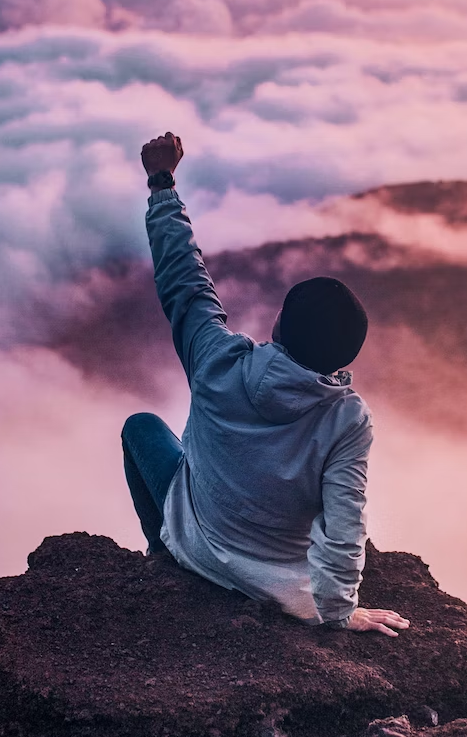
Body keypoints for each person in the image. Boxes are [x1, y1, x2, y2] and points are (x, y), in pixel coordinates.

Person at [121, 131, 409, 636]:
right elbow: (346, 528)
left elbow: (184, 282)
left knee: (141, 427)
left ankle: (161, 551)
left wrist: (161, 185)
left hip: (196, 545)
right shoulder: (347, 419)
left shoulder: (217, 359)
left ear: (279, 326)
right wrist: (339, 613)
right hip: (278, 585)